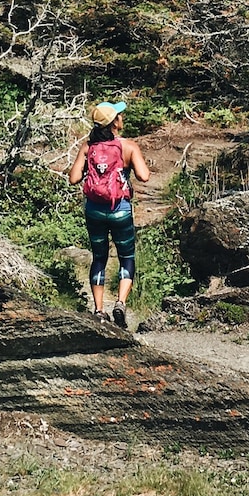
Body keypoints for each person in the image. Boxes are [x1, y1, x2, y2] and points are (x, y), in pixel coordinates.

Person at [68, 100, 150, 327]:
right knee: (127, 257)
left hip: (94, 210)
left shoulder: (88, 147)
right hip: (120, 210)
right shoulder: (128, 146)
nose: (122, 118)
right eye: (119, 115)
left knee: (99, 257)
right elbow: (144, 176)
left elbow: (74, 178)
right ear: (114, 122)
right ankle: (121, 303)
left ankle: (98, 310)